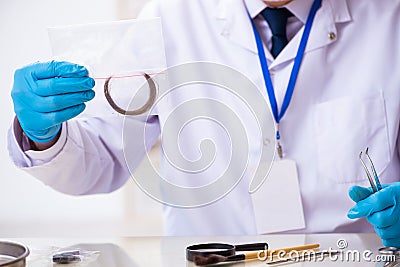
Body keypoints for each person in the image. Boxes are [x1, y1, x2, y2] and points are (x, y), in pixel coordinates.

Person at [7, 0, 400, 247]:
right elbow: (102, 157)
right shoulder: (171, 14)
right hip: (208, 260)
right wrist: (45, 135)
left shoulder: (390, 19)